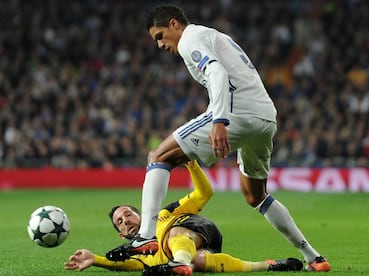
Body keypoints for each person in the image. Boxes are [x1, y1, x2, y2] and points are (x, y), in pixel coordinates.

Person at [108, 3, 330, 272]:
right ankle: (313, 257)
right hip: (265, 118)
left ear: (174, 25)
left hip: (236, 112)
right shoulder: (213, 35)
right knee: (256, 196)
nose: (160, 45)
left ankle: (145, 236)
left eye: (159, 36)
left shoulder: (191, 38)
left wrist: (220, 121)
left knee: (158, 156)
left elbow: (217, 72)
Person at [65, 161, 303, 275]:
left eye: (128, 214)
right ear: (121, 234)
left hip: (196, 229)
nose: (125, 219)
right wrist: (94, 259)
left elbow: (204, 193)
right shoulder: (143, 259)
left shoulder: (164, 214)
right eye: (120, 221)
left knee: (173, 235)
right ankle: (270, 265)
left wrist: (192, 165)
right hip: (199, 251)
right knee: (197, 263)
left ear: (141, 213)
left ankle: (179, 262)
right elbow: (126, 265)